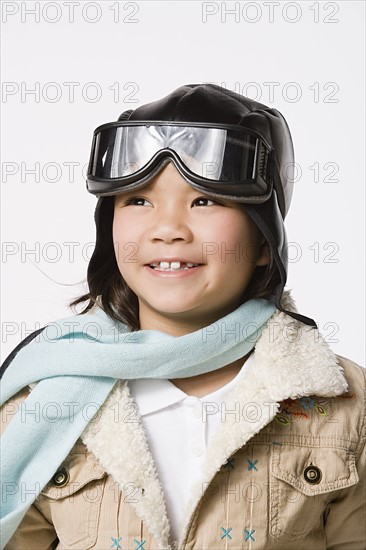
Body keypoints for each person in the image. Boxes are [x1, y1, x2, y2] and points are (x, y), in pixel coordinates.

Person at [0, 83, 365, 550]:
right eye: (138, 200)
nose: (168, 229)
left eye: (204, 200)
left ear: (263, 242)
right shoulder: (42, 399)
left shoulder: (344, 405)